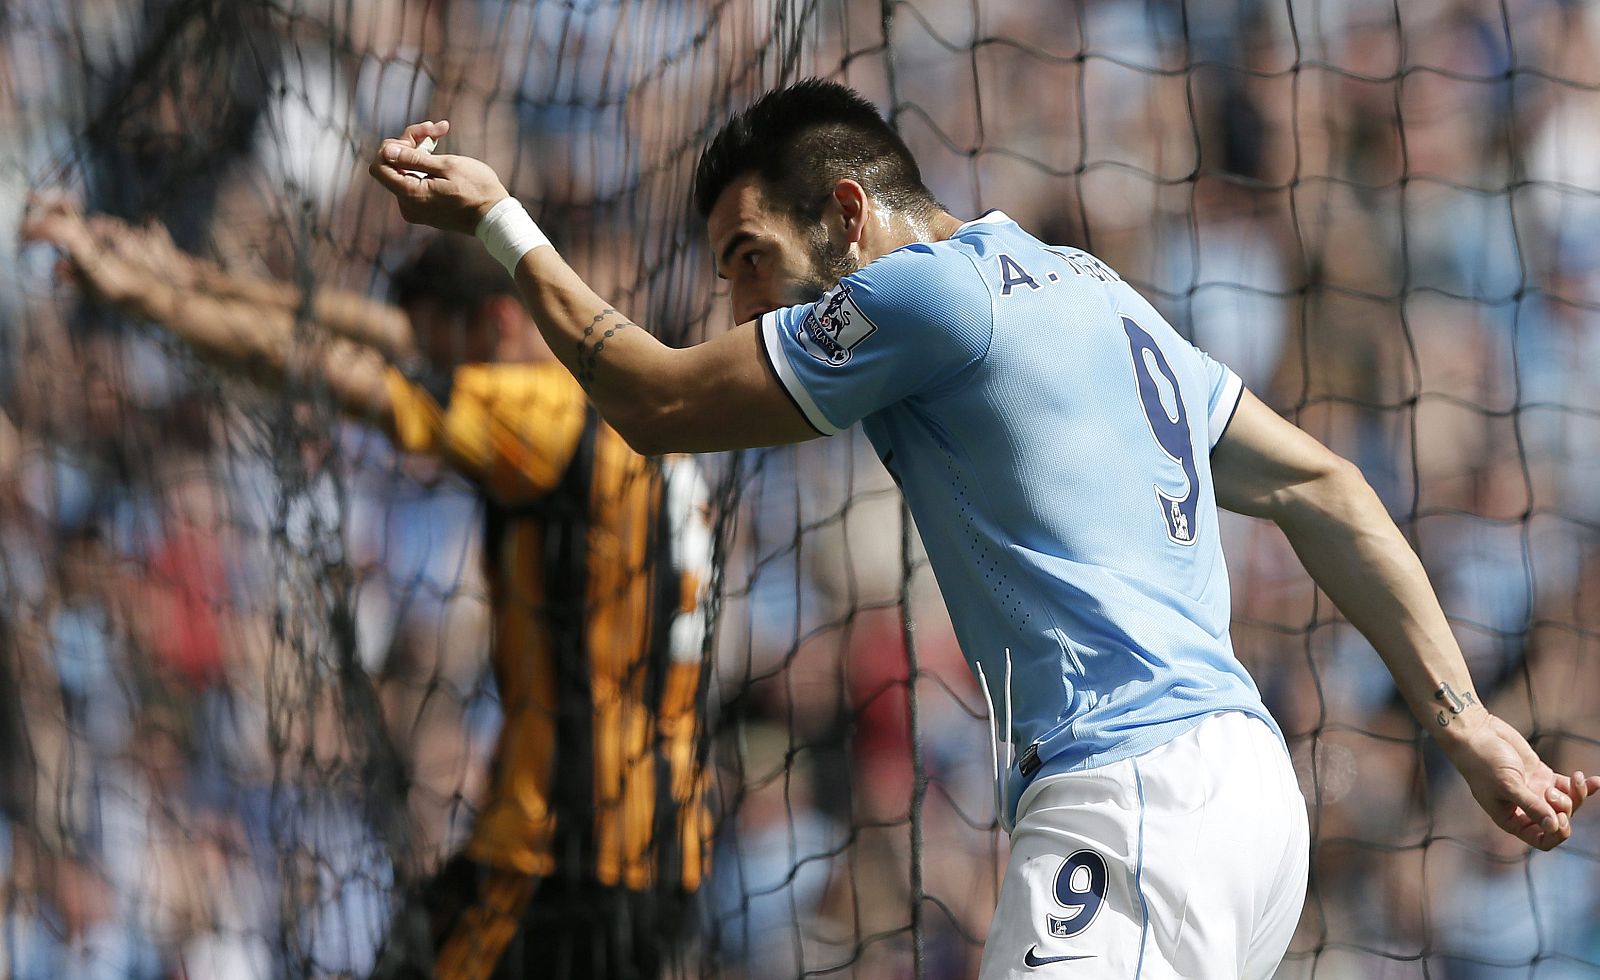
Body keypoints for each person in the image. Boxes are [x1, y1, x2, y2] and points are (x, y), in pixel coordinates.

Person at [366, 79, 1600, 979]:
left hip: (1127, 790)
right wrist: (1462, 717)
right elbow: (1321, 484)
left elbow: (650, 398)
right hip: (1248, 801)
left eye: (746, 259)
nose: (733, 304)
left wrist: (498, 222)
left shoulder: (919, 293)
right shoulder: (1094, 290)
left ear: (849, 214)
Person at [20, 204, 714, 980]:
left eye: (448, 361)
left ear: (495, 327)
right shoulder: (615, 392)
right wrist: (195, 277)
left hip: (564, 859)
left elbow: (334, 371)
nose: (440, 376)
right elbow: (384, 338)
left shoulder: (542, 419)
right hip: (655, 847)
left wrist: (150, 302)